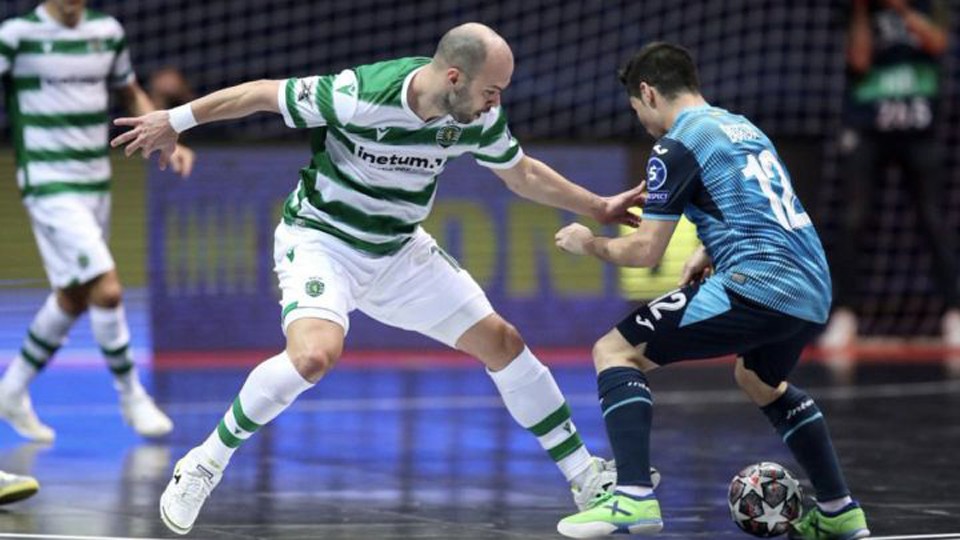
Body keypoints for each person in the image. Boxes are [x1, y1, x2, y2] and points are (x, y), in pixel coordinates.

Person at [110, 22, 651, 535]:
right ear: (455, 78)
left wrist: (598, 204)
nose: (497, 103)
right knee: (312, 357)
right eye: (492, 90)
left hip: (399, 250)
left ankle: (585, 478)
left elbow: (522, 173)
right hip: (321, 241)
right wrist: (174, 121)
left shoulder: (475, 118)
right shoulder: (360, 94)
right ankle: (205, 462)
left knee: (504, 342)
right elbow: (261, 93)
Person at [552, 43, 870, 539]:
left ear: (647, 92)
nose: (642, 123)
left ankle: (632, 496)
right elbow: (758, 204)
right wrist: (709, 249)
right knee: (759, 379)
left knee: (614, 351)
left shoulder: (677, 144)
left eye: (637, 111)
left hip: (759, 285)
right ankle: (838, 511)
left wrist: (587, 241)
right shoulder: (742, 126)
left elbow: (644, 252)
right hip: (811, 285)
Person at [0, 0, 195, 443]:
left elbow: (129, 93)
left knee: (73, 295)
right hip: (48, 183)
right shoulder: (16, 36)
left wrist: (168, 137)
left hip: (96, 182)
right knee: (106, 288)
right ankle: (131, 396)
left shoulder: (107, 32)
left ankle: (11, 391)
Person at [821, 0, 958, 351]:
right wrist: (864, 12)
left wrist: (901, 8)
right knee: (854, 219)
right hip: (868, 127)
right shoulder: (856, 10)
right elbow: (859, 60)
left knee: (933, 219)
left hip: (918, 126)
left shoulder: (930, 5)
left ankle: (954, 312)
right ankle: (845, 315)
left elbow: (938, 43)